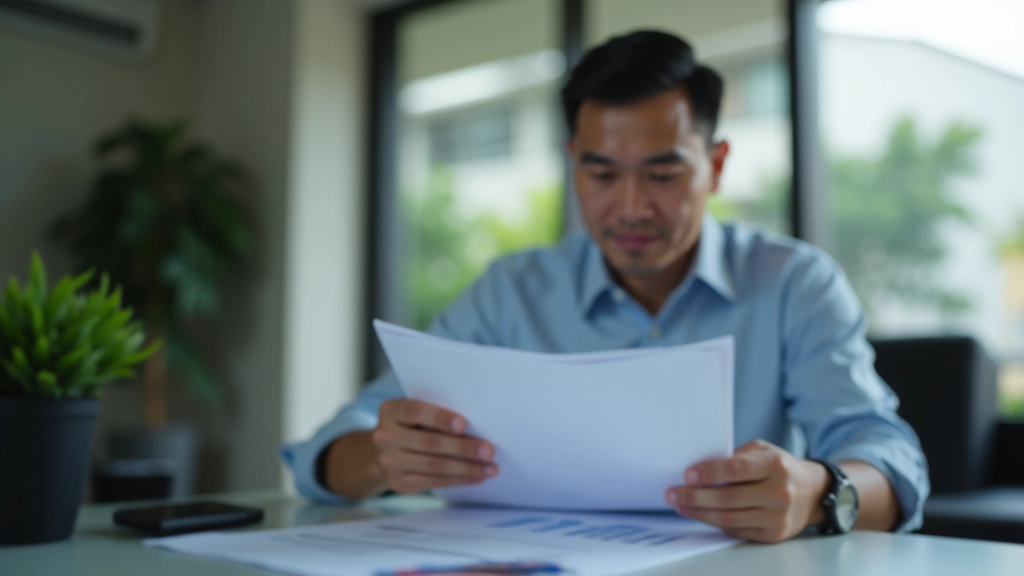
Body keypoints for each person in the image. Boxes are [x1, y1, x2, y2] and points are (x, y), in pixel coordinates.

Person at [281, 30, 928, 543]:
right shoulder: (512, 291)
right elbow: (324, 452)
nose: (631, 207)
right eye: (602, 174)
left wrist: (819, 492)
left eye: (663, 174)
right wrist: (382, 457)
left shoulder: (793, 283)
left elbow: (890, 459)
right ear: (573, 166)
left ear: (717, 165)